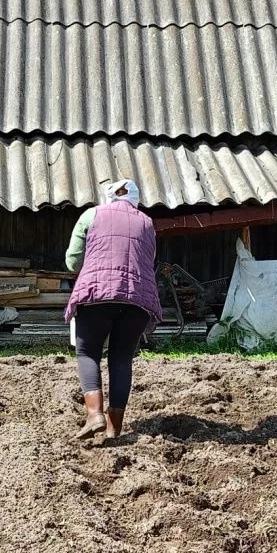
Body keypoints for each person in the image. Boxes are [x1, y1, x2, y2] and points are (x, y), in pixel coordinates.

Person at [64, 179, 163, 440]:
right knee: (121, 358)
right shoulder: (147, 223)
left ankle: (95, 414)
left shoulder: (91, 215)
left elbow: (73, 261)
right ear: (135, 200)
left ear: (108, 198)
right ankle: (114, 428)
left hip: (97, 295)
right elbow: (148, 259)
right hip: (136, 299)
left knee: (88, 353)